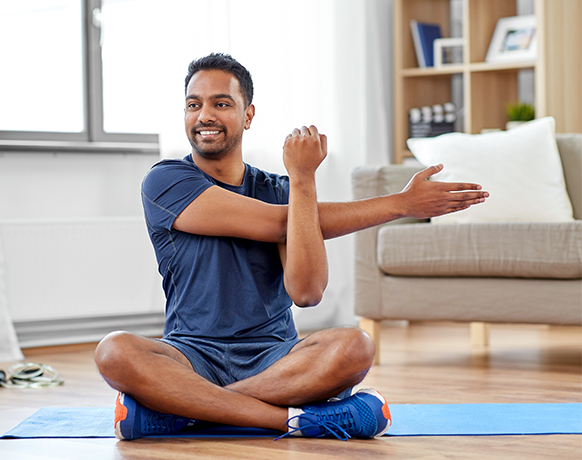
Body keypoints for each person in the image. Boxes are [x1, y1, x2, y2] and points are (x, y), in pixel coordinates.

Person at [94, 53, 488, 441]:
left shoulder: (282, 192)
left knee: (355, 347)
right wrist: (400, 204)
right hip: (191, 355)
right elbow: (273, 222)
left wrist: (301, 180)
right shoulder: (165, 181)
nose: (205, 116)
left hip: (275, 358)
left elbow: (308, 292)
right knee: (113, 351)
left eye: (221, 104)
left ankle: (184, 412)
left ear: (248, 115)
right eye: (193, 105)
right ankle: (295, 420)